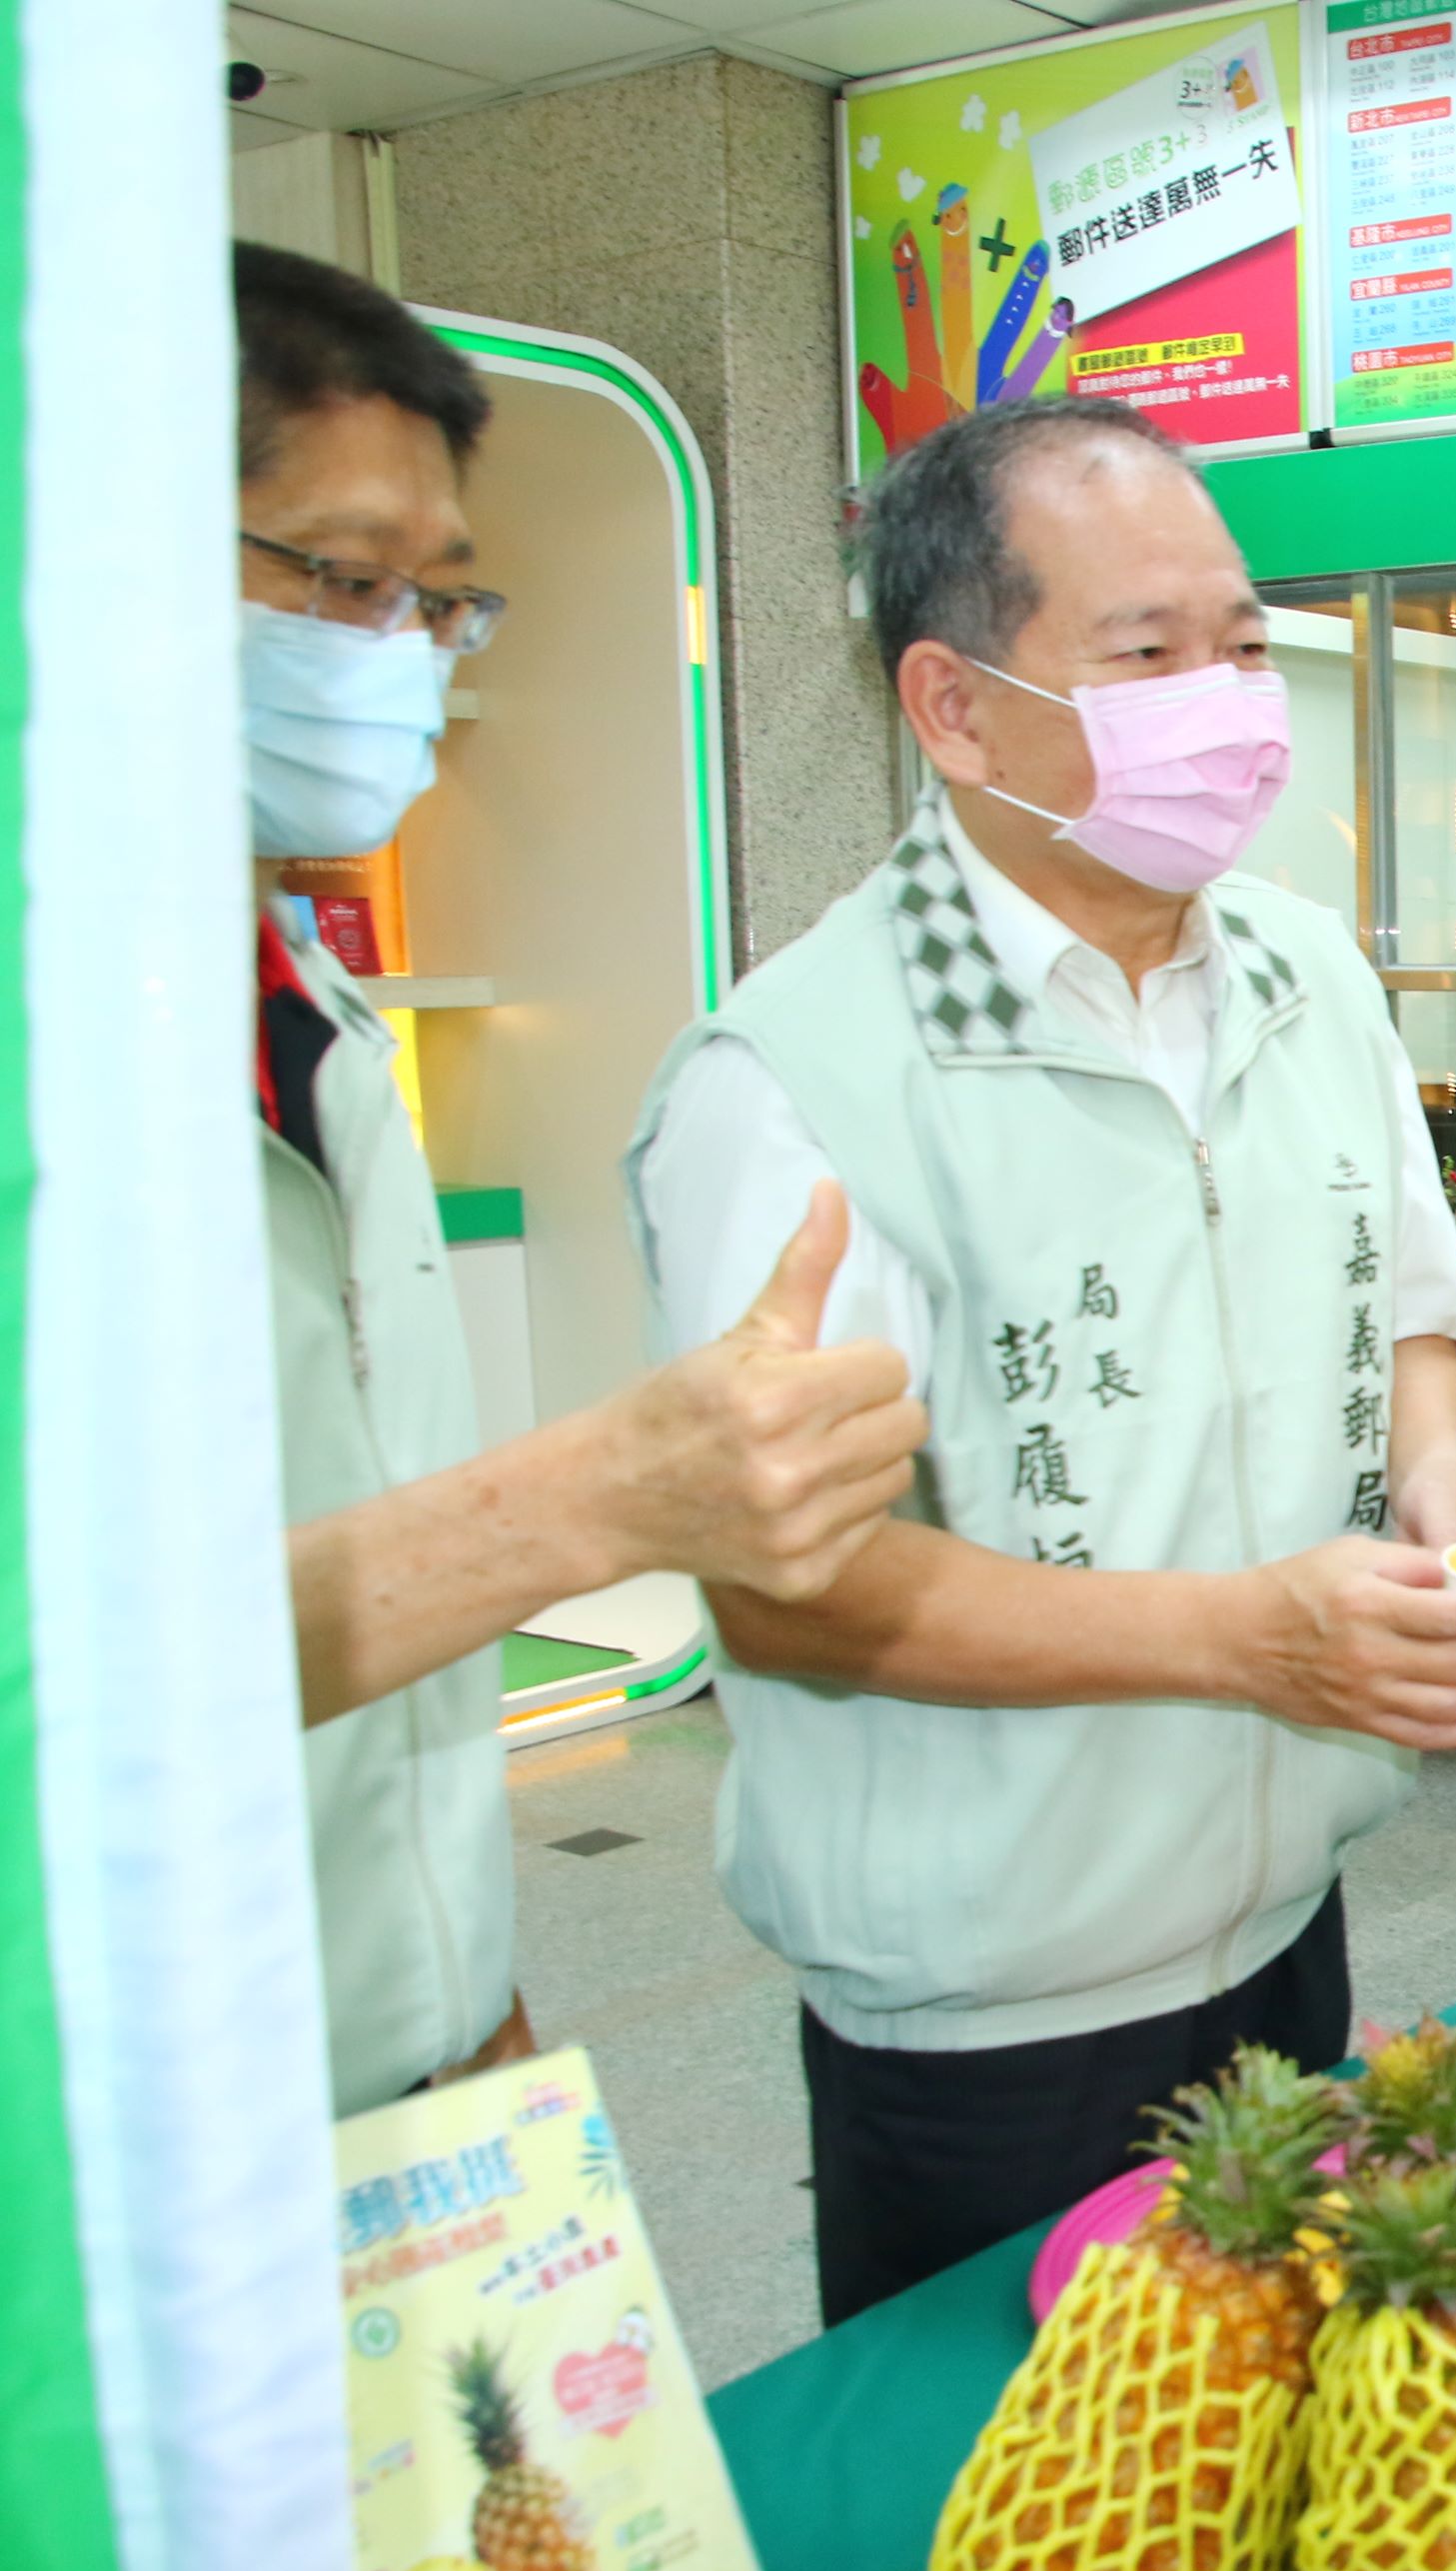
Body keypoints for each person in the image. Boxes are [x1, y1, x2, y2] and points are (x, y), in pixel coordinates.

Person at [622, 395, 1456, 2323]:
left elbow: (1407, 1313)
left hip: (1290, 1918)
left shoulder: (1310, 977)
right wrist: (1242, 1637)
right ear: (953, 709)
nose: (1227, 701)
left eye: (1243, 646)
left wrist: (1445, 1492)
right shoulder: (800, 1077)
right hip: (989, 2014)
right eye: (1148, 656)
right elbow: (789, 1593)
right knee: (1027, 2550)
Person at [234, 242, 929, 2118]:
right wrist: (597, 1499)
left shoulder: (311, 1020)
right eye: (341, 579)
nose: (392, 653)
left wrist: (455, 1999)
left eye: (439, 604)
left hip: (390, 2072)